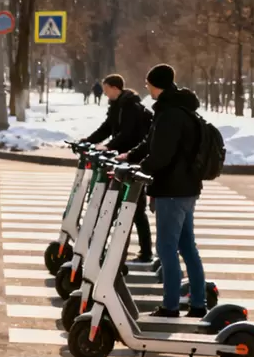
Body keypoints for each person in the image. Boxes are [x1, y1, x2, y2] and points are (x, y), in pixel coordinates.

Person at [121, 64, 208, 318]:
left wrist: (138, 168)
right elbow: (151, 143)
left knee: (167, 248)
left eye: (148, 83)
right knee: (187, 247)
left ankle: (170, 306)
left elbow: (161, 154)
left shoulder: (170, 114)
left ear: (156, 84)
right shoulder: (175, 109)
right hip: (185, 188)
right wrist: (130, 156)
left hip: (172, 188)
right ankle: (198, 303)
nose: (146, 87)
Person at [83, 74, 155, 262]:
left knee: (136, 207)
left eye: (106, 90)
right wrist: (89, 141)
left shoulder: (129, 106)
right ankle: (119, 249)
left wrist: (109, 146)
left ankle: (143, 251)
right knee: (122, 204)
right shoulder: (118, 106)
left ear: (115, 88)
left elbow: (128, 134)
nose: (105, 94)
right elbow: (107, 128)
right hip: (121, 160)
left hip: (131, 160)